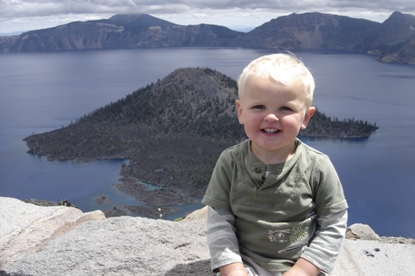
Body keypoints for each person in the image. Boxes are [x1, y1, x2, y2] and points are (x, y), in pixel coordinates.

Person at [202, 53, 348, 276]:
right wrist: (232, 268)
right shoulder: (230, 162)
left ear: (306, 117)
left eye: (285, 109)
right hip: (244, 265)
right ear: (241, 111)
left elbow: (333, 224)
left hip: (301, 265)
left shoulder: (317, 166)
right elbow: (219, 222)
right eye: (259, 106)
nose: (270, 117)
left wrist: (303, 270)